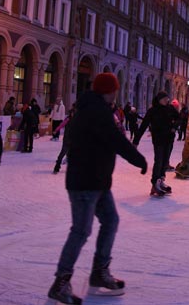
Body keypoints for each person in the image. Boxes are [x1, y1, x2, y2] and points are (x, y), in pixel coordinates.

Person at [48, 73, 147, 304]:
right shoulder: (97, 112)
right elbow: (116, 140)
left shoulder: (95, 108)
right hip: (85, 182)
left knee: (110, 221)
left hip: (98, 181)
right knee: (81, 231)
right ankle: (61, 282)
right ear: (108, 91)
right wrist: (139, 160)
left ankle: (99, 272)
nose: (116, 93)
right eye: (114, 89)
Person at [133, 91, 179, 197]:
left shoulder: (170, 108)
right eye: (164, 99)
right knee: (158, 160)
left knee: (165, 161)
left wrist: (174, 127)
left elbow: (179, 118)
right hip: (158, 139)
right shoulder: (152, 111)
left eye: (167, 98)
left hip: (169, 139)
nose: (166, 100)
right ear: (159, 100)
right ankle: (155, 183)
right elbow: (143, 125)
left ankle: (160, 180)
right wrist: (136, 140)